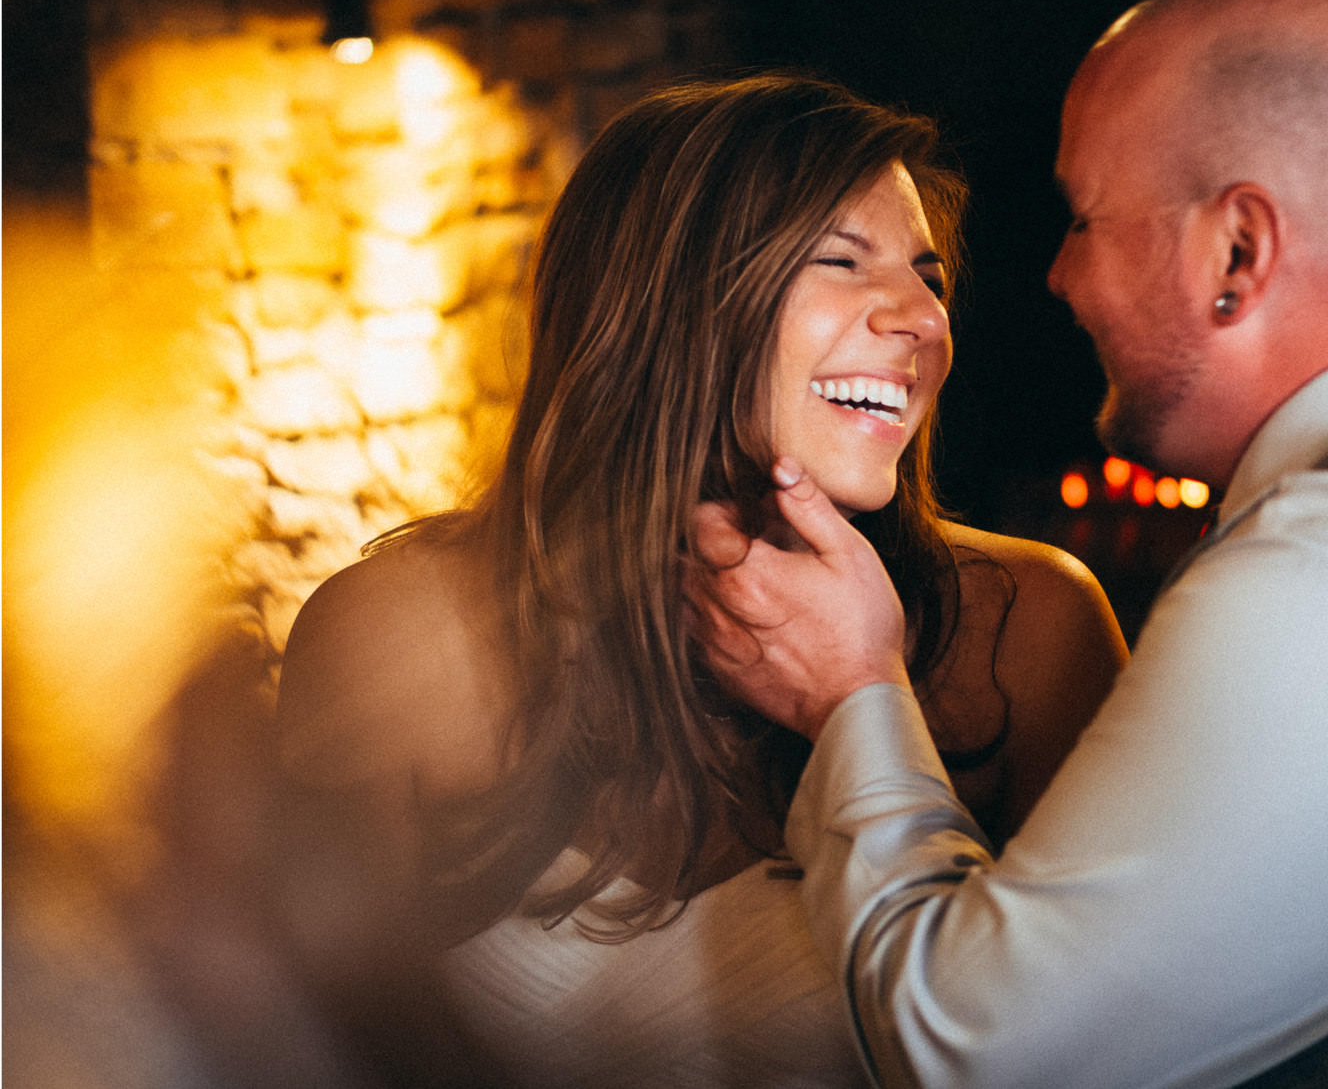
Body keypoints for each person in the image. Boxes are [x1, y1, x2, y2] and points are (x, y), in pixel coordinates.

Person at [691, 0, 1328, 1088]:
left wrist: (851, 695)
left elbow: (982, 1054)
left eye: (1082, 218)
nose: (1059, 277)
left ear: (1235, 253)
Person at [272, 72, 1126, 1087]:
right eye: (843, 262)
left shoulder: (1029, 627)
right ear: (670, 304)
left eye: (929, 278)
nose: (920, 320)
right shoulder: (396, 633)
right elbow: (305, 1049)